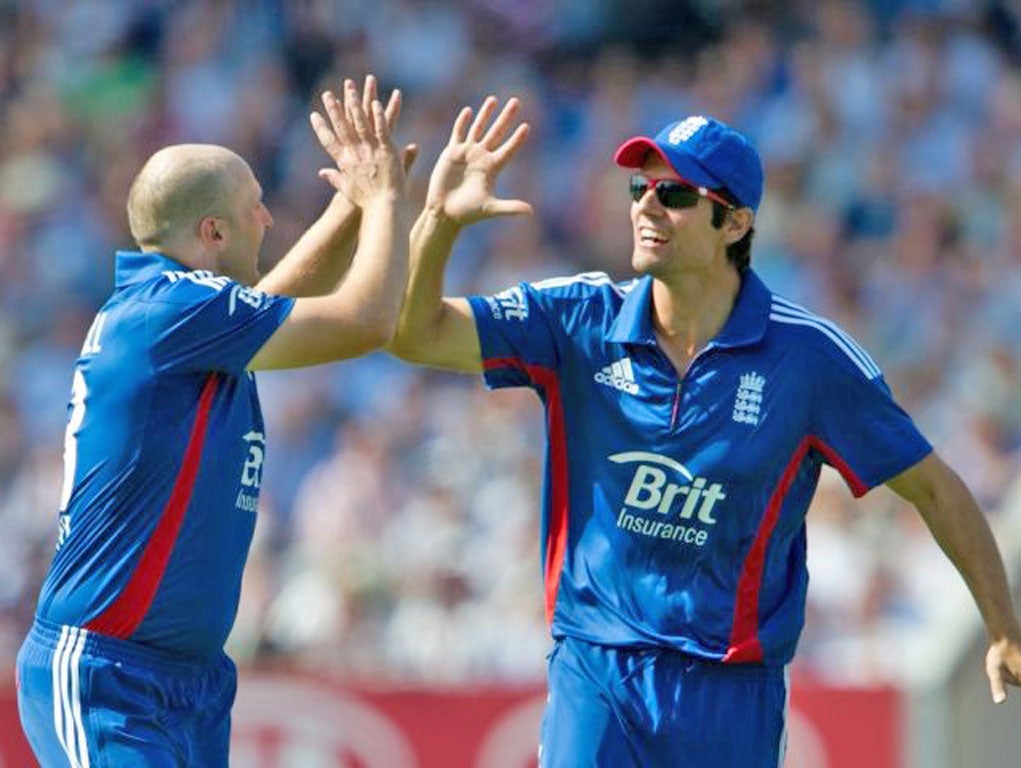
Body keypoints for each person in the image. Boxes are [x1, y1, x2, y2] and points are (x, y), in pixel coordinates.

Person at [388, 98, 1021, 766]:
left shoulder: (806, 359)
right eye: (640, 187)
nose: (646, 207)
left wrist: (1002, 628)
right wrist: (437, 223)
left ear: (734, 223)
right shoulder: (577, 318)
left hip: (730, 695)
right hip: (595, 668)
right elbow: (415, 334)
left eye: (675, 194)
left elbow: (933, 489)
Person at [15, 75, 410, 767]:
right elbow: (367, 320)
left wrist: (347, 206)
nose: (267, 221)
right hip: (110, 674)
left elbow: (273, 298)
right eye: (255, 208)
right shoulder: (174, 311)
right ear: (212, 231)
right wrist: (383, 200)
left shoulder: (184, 317)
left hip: (186, 678)